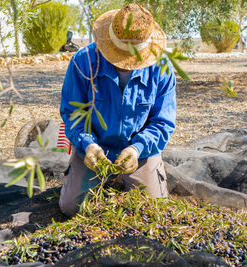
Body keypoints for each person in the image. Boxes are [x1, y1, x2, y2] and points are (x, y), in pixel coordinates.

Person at [59, 3, 176, 217]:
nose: (124, 64)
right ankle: (88, 173)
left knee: (152, 212)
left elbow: (162, 122)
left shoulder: (161, 68)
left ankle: (132, 175)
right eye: (119, 54)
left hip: (139, 152)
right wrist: (88, 145)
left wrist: (137, 149)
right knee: (71, 208)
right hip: (94, 149)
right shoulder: (82, 62)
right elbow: (73, 115)